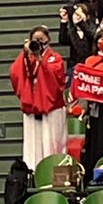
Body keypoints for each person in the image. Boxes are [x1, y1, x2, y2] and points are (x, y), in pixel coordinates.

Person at [8, 25, 67, 167]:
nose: (39, 42)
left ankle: (53, 170)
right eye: (35, 40)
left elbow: (56, 78)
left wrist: (41, 59)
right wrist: (25, 54)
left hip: (51, 107)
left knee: (51, 142)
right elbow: (15, 73)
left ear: (49, 39)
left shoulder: (55, 58)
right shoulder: (26, 58)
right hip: (32, 106)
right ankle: (32, 170)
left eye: (42, 39)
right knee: (32, 144)